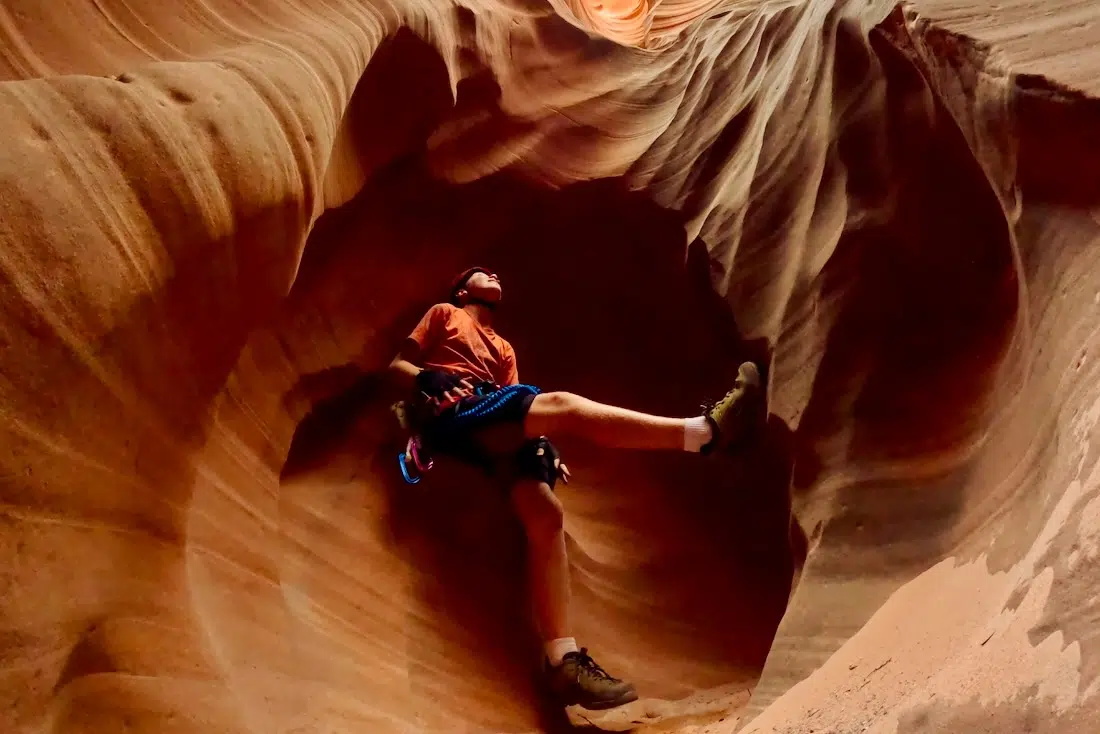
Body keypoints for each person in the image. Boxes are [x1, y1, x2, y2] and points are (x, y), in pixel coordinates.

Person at [388, 266, 765, 711]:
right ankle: (703, 433)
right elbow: (396, 366)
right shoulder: (444, 314)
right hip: (454, 410)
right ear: (462, 289)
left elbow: (518, 406)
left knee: (546, 516)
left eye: (496, 273)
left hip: (492, 423)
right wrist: (421, 378)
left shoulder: (504, 348)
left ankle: (561, 660)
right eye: (483, 273)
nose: (494, 275)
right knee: (563, 405)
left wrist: (544, 444)